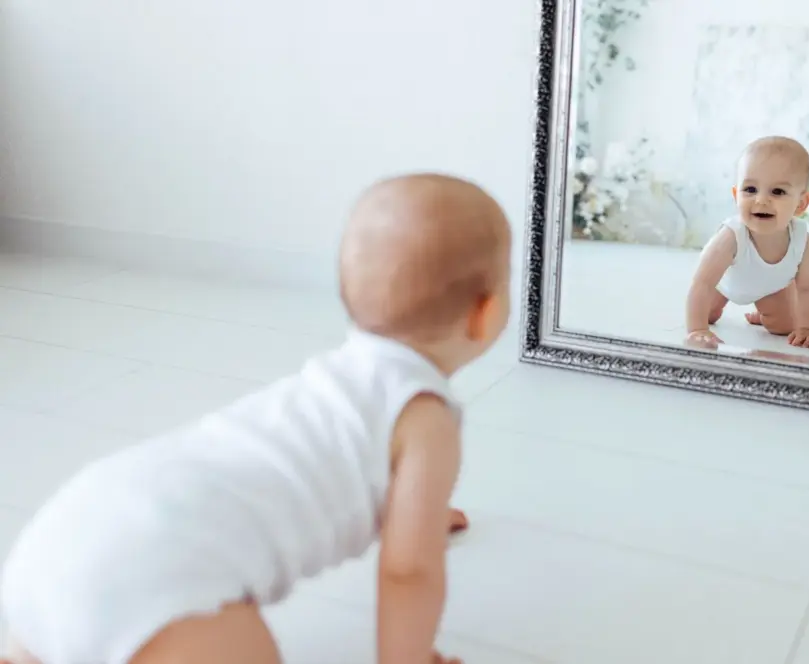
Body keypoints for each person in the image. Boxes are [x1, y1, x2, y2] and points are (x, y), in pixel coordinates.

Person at [0, 172, 512, 664]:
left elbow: (348, 461)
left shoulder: (335, 380)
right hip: (153, 585)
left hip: (66, 537)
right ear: (484, 314)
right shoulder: (425, 422)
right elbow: (408, 571)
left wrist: (420, 508)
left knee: (68, 632)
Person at [685, 136, 809, 350]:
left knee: (784, 327)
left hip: (770, 289)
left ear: (801, 204)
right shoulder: (731, 236)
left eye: (778, 191)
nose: (761, 200)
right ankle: (717, 310)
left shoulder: (802, 241)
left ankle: (764, 313)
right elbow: (702, 283)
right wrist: (697, 330)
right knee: (708, 315)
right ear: (736, 195)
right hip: (724, 285)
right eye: (750, 190)